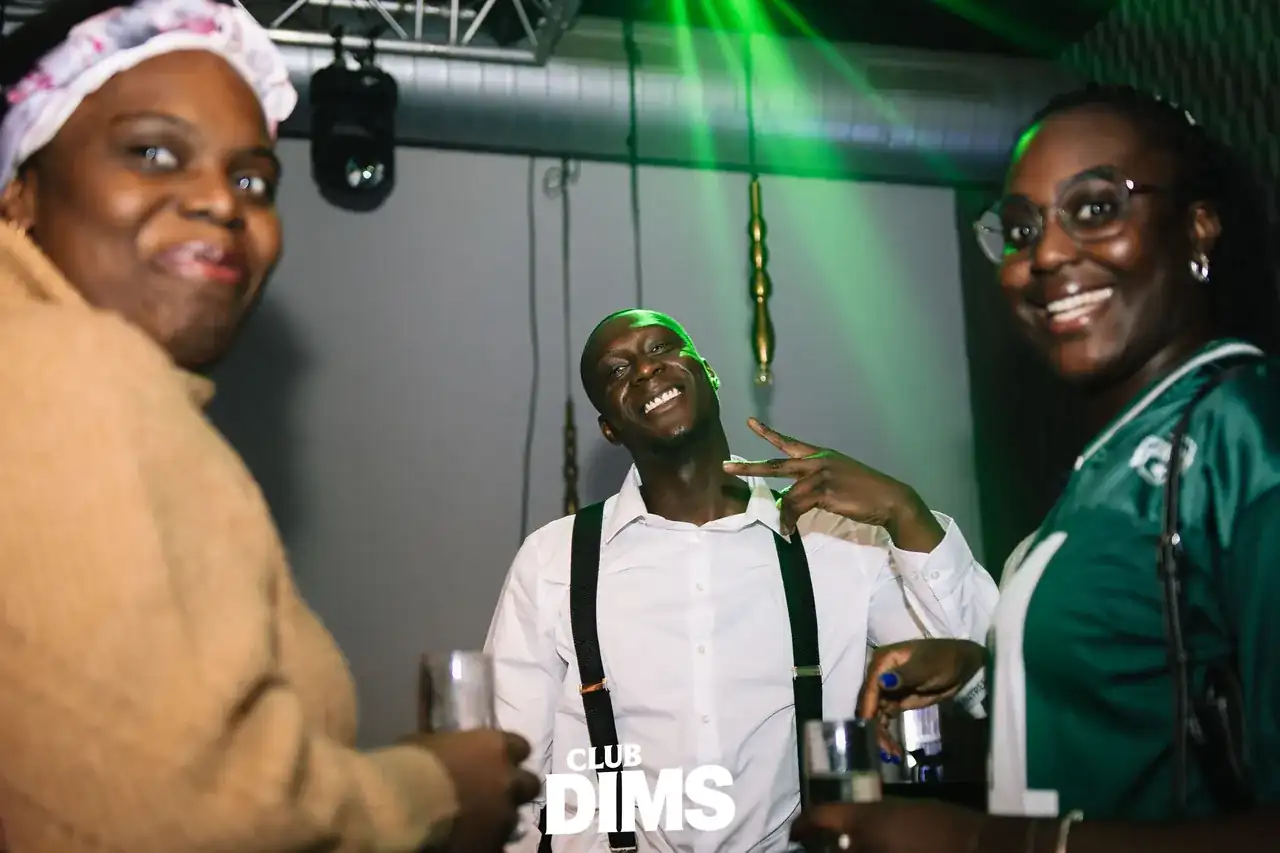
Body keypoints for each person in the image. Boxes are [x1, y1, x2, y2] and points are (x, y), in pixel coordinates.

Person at [0, 1, 538, 850]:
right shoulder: (66, 369)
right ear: (19, 192)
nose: (221, 199)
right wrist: (432, 792)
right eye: (152, 152)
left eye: (253, 180)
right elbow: (173, 812)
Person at [789, 83, 1280, 853]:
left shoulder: (1245, 431)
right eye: (1020, 228)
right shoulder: (1115, 458)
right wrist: (981, 670)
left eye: (1096, 207)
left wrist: (984, 843)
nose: (1044, 254)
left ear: (1197, 228)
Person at [485, 308, 998, 852]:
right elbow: (510, 776)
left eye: (661, 348)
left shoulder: (838, 539)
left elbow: (989, 674)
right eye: (617, 370)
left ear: (708, 372)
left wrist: (905, 511)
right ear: (609, 427)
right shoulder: (553, 560)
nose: (645, 369)